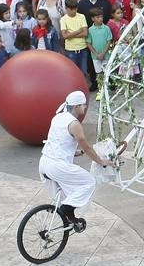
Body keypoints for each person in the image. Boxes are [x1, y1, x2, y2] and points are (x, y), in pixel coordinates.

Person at [37, 89, 114, 232]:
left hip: (44, 163)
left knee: (67, 195)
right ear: (77, 106)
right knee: (89, 182)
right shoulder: (74, 124)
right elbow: (87, 146)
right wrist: (100, 161)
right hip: (57, 166)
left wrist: (77, 153)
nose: (85, 108)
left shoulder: (57, 118)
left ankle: (67, 217)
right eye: (83, 105)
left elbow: (58, 143)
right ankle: (66, 210)